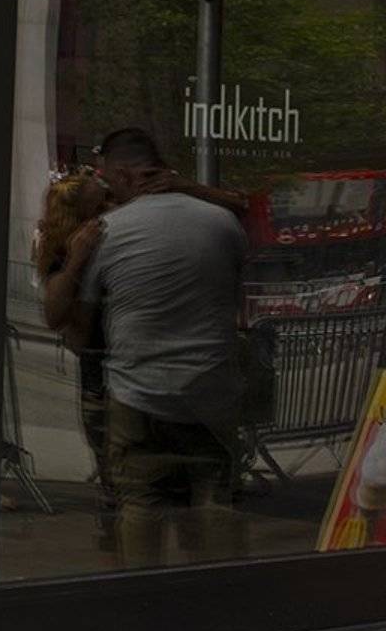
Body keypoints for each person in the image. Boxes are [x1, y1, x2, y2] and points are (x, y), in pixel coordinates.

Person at [69, 128, 250, 570]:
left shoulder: (108, 232)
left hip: (138, 395)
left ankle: (142, 593)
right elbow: (236, 292)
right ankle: (219, 592)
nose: (107, 190)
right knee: (214, 499)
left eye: (108, 180)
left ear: (123, 173)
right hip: (211, 393)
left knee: (140, 504)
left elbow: (81, 325)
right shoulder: (222, 223)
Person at [34, 169, 115, 542]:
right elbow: (55, 314)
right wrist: (77, 262)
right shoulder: (69, 253)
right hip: (100, 367)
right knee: (111, 459)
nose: (110, 210)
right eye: (100, 205)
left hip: (113, 360)